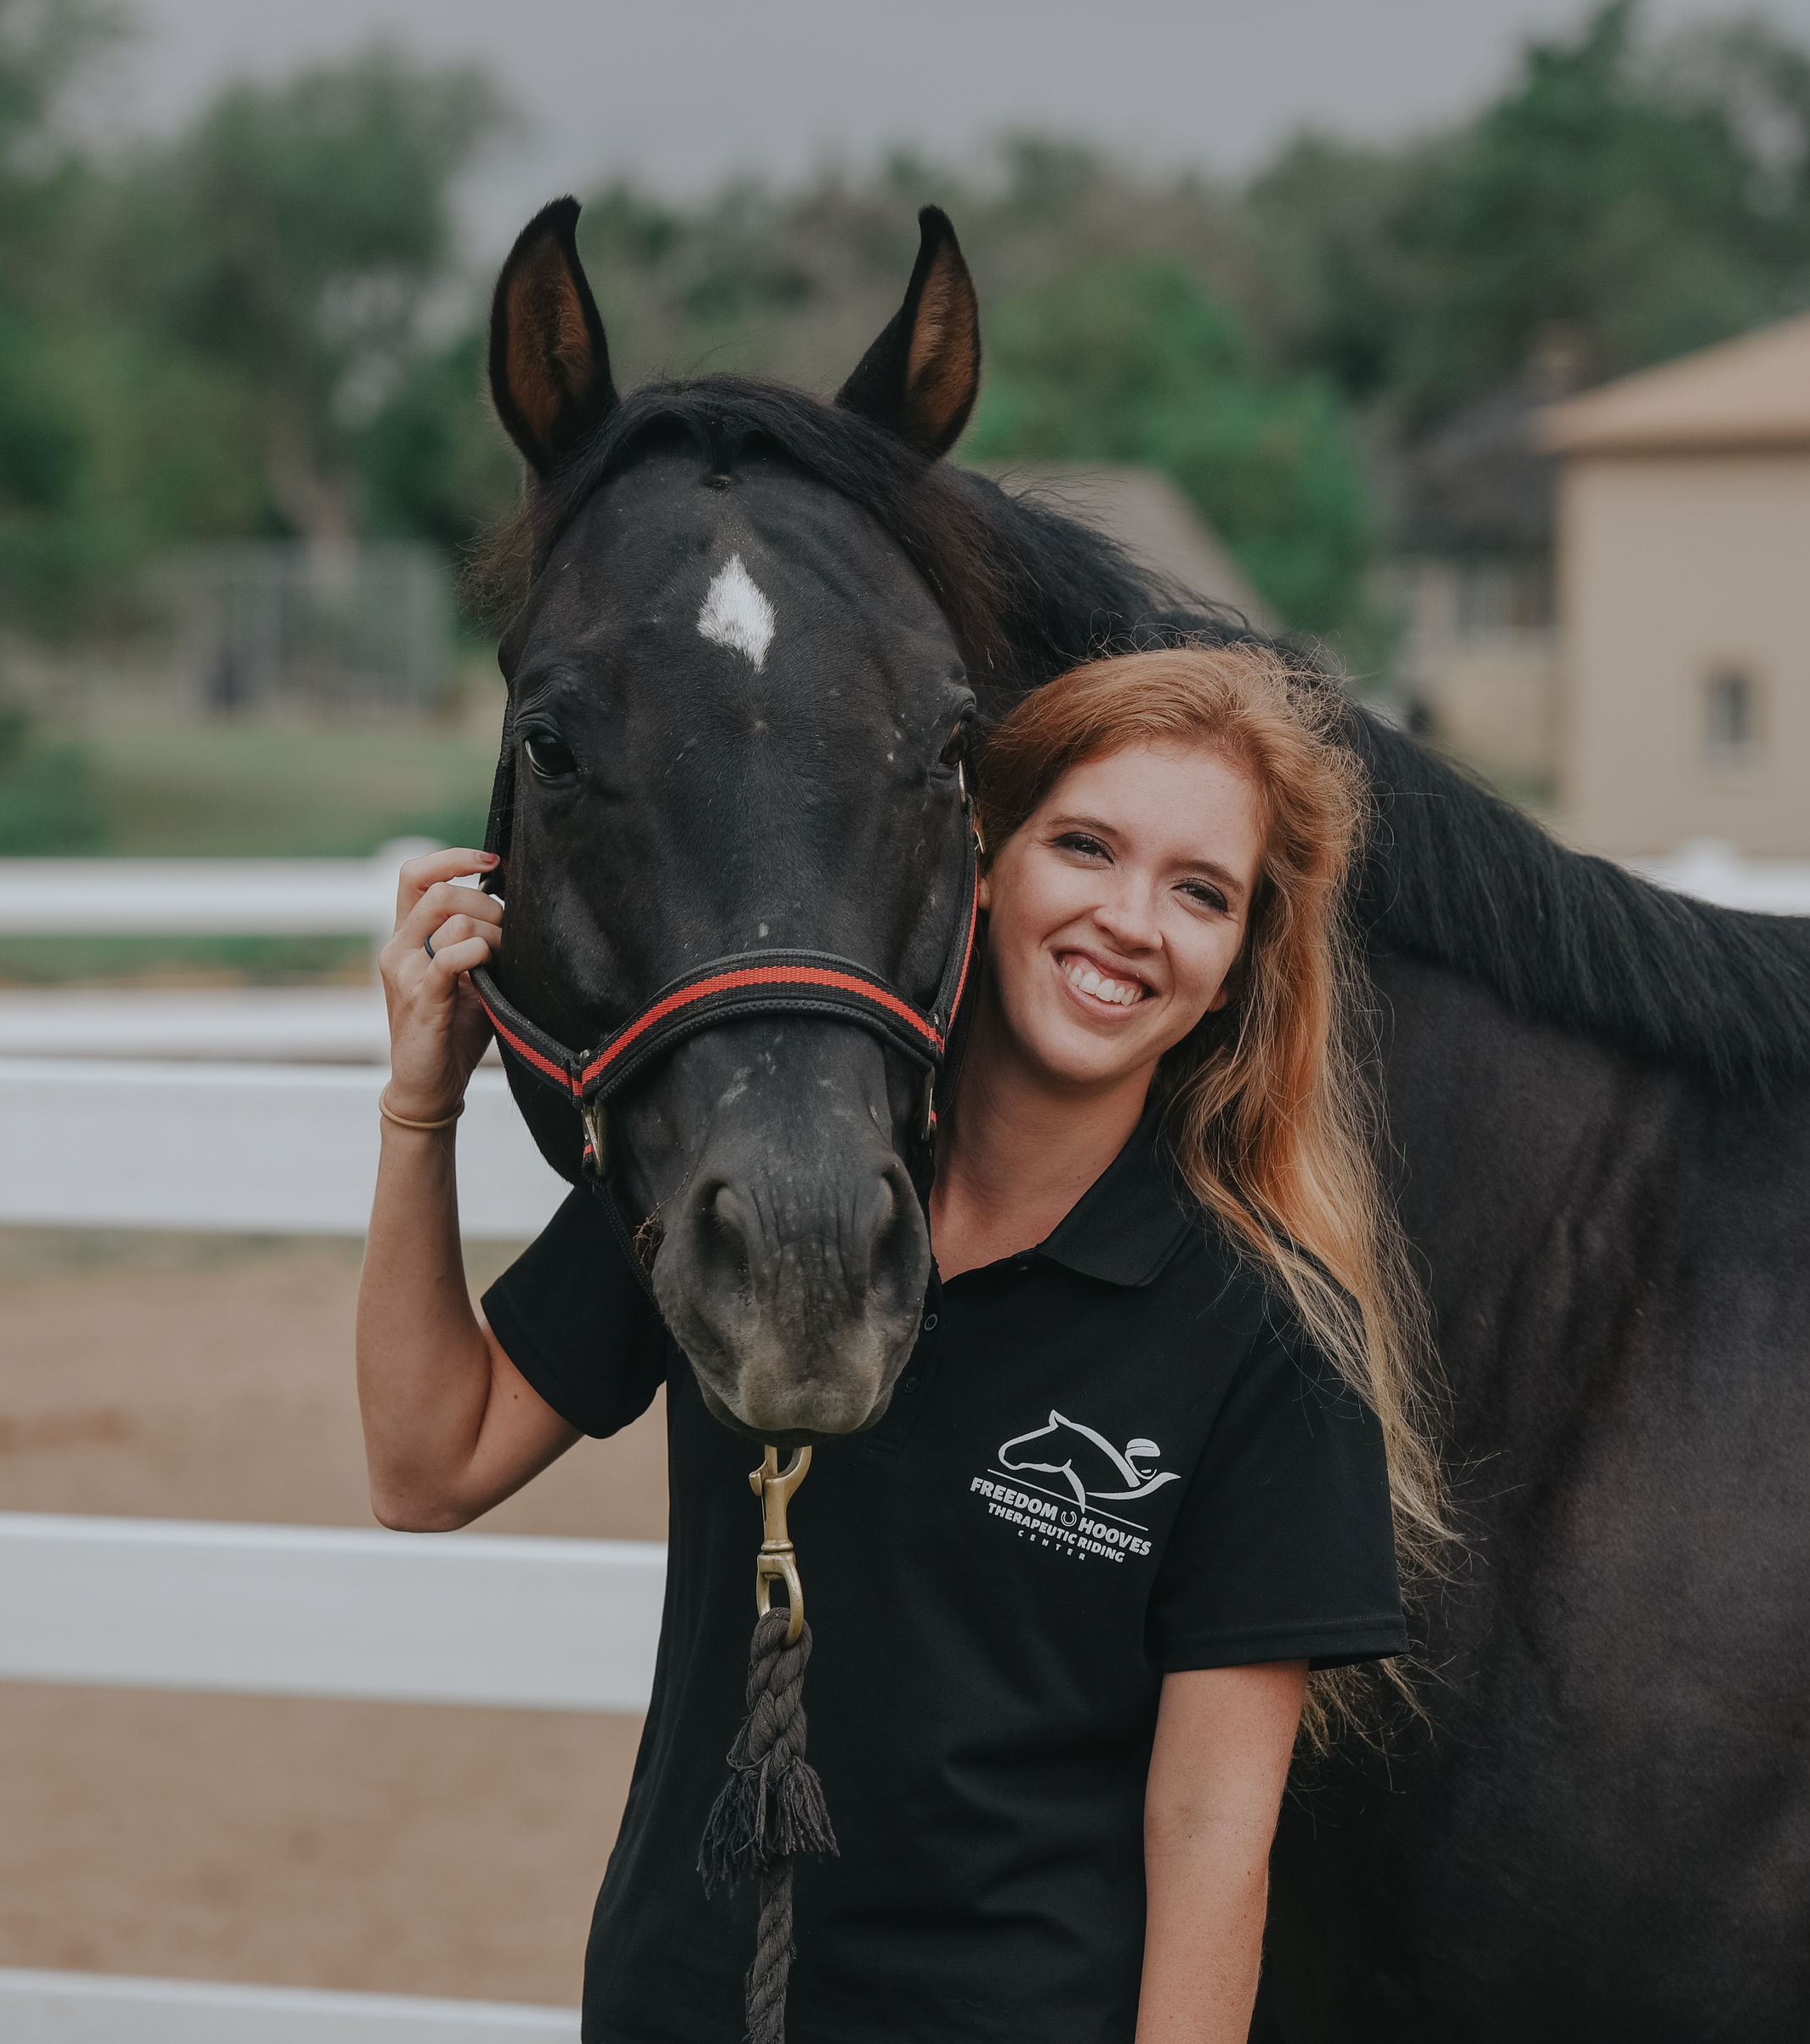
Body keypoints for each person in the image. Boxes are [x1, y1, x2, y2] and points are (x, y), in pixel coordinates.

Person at [356, 643, 1439, 2044]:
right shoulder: (748, 1174)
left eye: (1201, 892)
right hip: (675, 2013)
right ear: (976, 868)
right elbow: (425, 1463)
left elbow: (1210, 1841)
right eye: (1087, 847)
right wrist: (418, 1111)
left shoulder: (1270, 1341)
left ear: (1234, 969)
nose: (1129, 920)